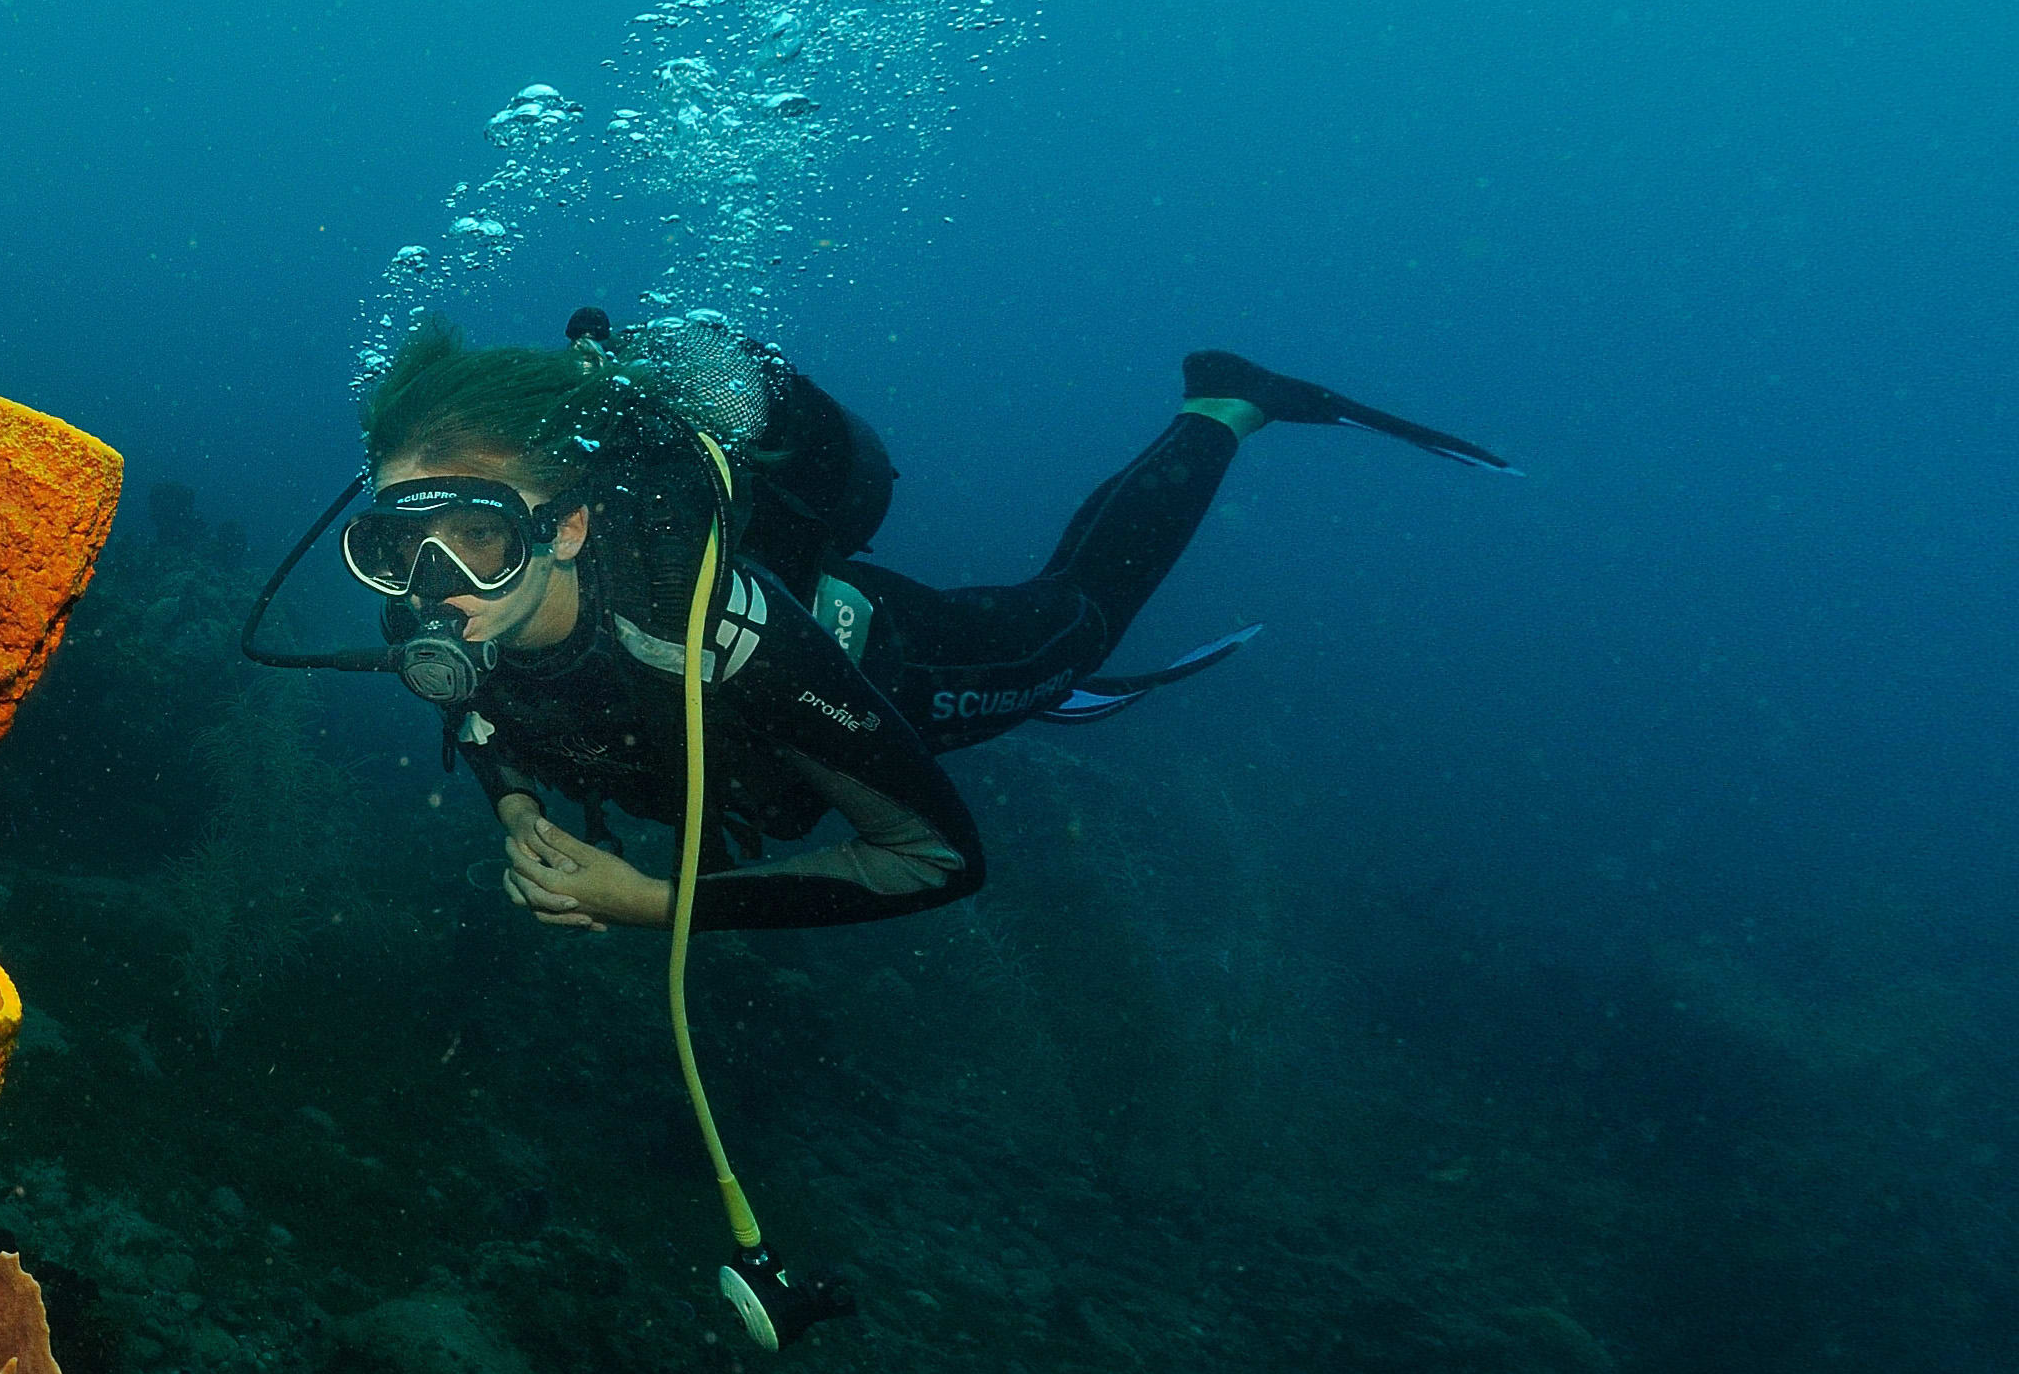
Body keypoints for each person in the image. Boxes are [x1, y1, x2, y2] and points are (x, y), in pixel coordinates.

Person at [330, 313, 1512, 935]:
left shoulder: (721, 630)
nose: (429, 582)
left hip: (880, 662)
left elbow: (934, 861)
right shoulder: (441, 620)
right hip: (742, 762)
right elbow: (483, 722)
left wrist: (641, 902)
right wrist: (525, 811)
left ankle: (1225, 402)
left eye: (476, 530)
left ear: (572, 528)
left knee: (1072, 625)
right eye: (392, 545)